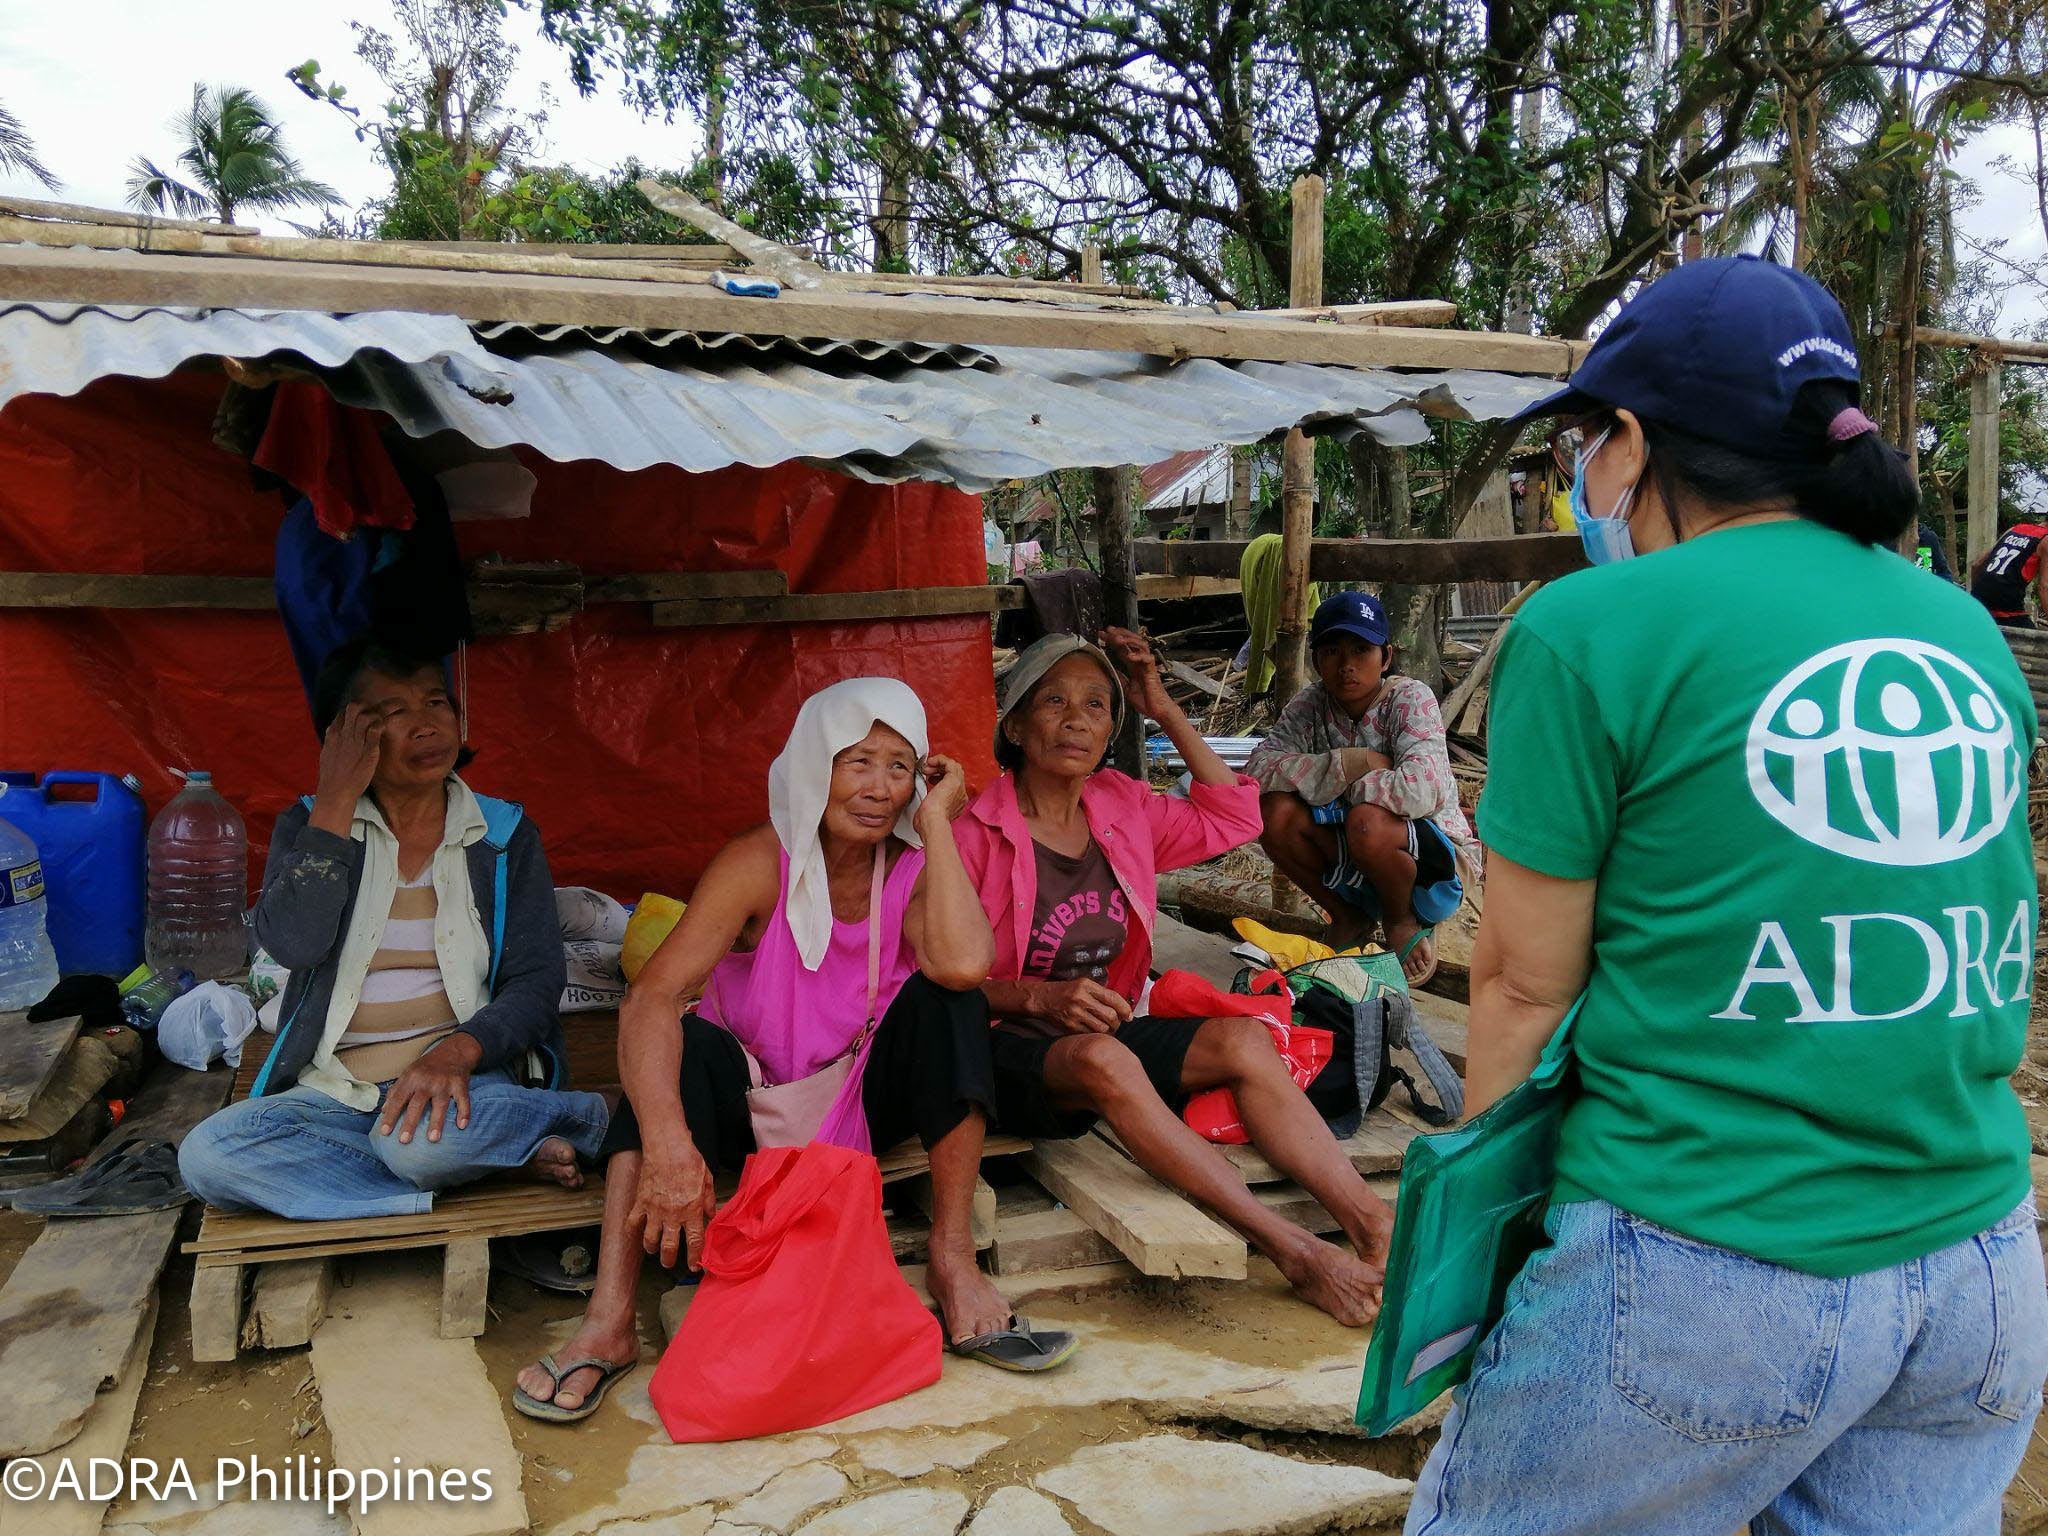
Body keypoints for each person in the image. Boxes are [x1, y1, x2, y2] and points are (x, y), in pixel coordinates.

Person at [1404, 254, 2045, 1535]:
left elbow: (1522, 983)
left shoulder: (1591, 630)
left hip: (1700, 1272)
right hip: (1976, 1272)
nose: (1582, 481)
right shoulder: (1962, 634)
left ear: (1632, 443)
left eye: (1584, 445)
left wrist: (1479, 1258)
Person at [515, 679, 1072, 1424]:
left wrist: (938, 825)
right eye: (858, 762)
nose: (879, 789)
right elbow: (650, 998)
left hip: (859, 1097)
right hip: (751, 1099)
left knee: (951, 1003)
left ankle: (954, 1260)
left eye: (899, 767)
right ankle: (609, 1319)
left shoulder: (911, 865)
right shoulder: (756, 863)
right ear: (815, 764)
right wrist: (672, 1147)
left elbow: (968, 965)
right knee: (675, 1053)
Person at [955, 630, 1395, 1326]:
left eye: (1097, 706)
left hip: (1107, 1032)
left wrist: (1160, 705)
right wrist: (1040, 995)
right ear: (1014, 725)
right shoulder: (972, 834)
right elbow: (923, 985)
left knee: (1244, 1041)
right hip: (1003, 1050)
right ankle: (1294, 1251)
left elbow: (1238, 814)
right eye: (1054, 702)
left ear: (1110, 730)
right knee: (1103, 1056)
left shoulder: (1120, 806)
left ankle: (1374, 1227)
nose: (1076, 719)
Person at [179, 639, 608, 1220]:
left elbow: (536, 983)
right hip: (338, 1091)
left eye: (435, 703)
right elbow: (294, 943)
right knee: (207, 1156)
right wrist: (334, 800)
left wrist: (456, 1052)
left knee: (426, 1145)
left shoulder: (503, 837)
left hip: (464, 1078)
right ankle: (483, 1160)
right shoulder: (311, 824)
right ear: (345, 738)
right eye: (393, 713)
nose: (426, 725)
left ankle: (574, 1118)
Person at [1249, 591, 1477, 985]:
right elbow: (1258, 771)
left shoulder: (1410, 700)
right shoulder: (1310, 705)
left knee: (1367, 821)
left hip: (1433, 864)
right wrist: (1351, 764)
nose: (1347, 665)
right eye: (1332, 651)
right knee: (1273, 814)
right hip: (1354, 856)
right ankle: (1349, 915)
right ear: (1316, 659)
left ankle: (1401, 919)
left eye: (1361, 650)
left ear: (1385, 658)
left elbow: (1421, 791)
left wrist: (1337, 792)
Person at [1969, 513, 2048, 624]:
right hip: (2006, 606)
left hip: (1979, 602)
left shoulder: (2014, 529)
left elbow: (1976, 564)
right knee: (2032, 640)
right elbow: (2044, 587)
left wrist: (1975, 596)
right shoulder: (2046, 540)